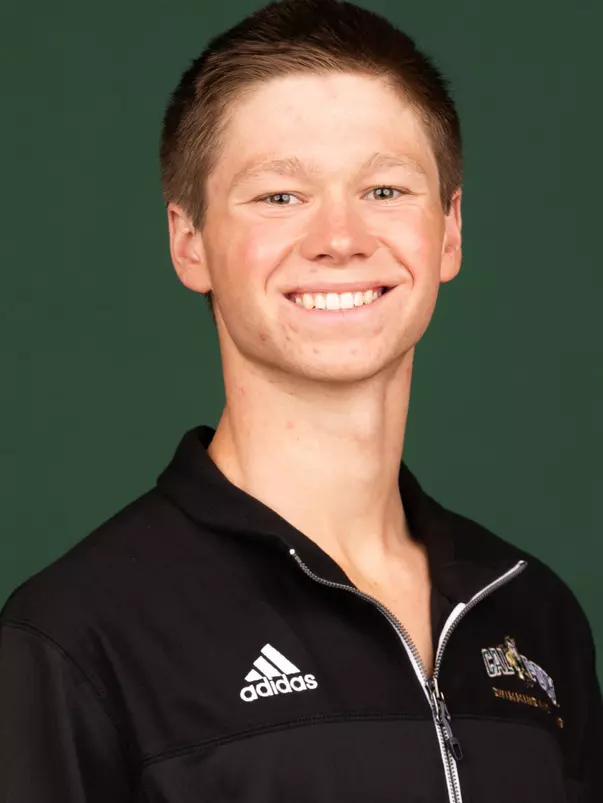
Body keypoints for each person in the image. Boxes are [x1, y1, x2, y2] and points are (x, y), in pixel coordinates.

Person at [1, 0, 601, 800]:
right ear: (189, 241)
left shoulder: (532, 614)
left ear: (449, 231)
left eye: (385, 189)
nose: (341, 236)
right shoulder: (74, 637)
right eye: (279, 196)